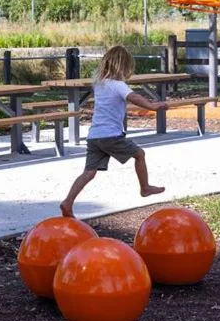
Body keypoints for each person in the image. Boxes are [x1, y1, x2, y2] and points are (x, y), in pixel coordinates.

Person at [60, 45, 167, 217]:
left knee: (89, 172)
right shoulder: (118, 85)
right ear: (123, 67)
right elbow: (134, 97)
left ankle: (68, 202)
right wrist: (152, 106)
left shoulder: (100, 84)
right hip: (111, 136)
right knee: (139, 154)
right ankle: (145, 187)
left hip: (94, 136)